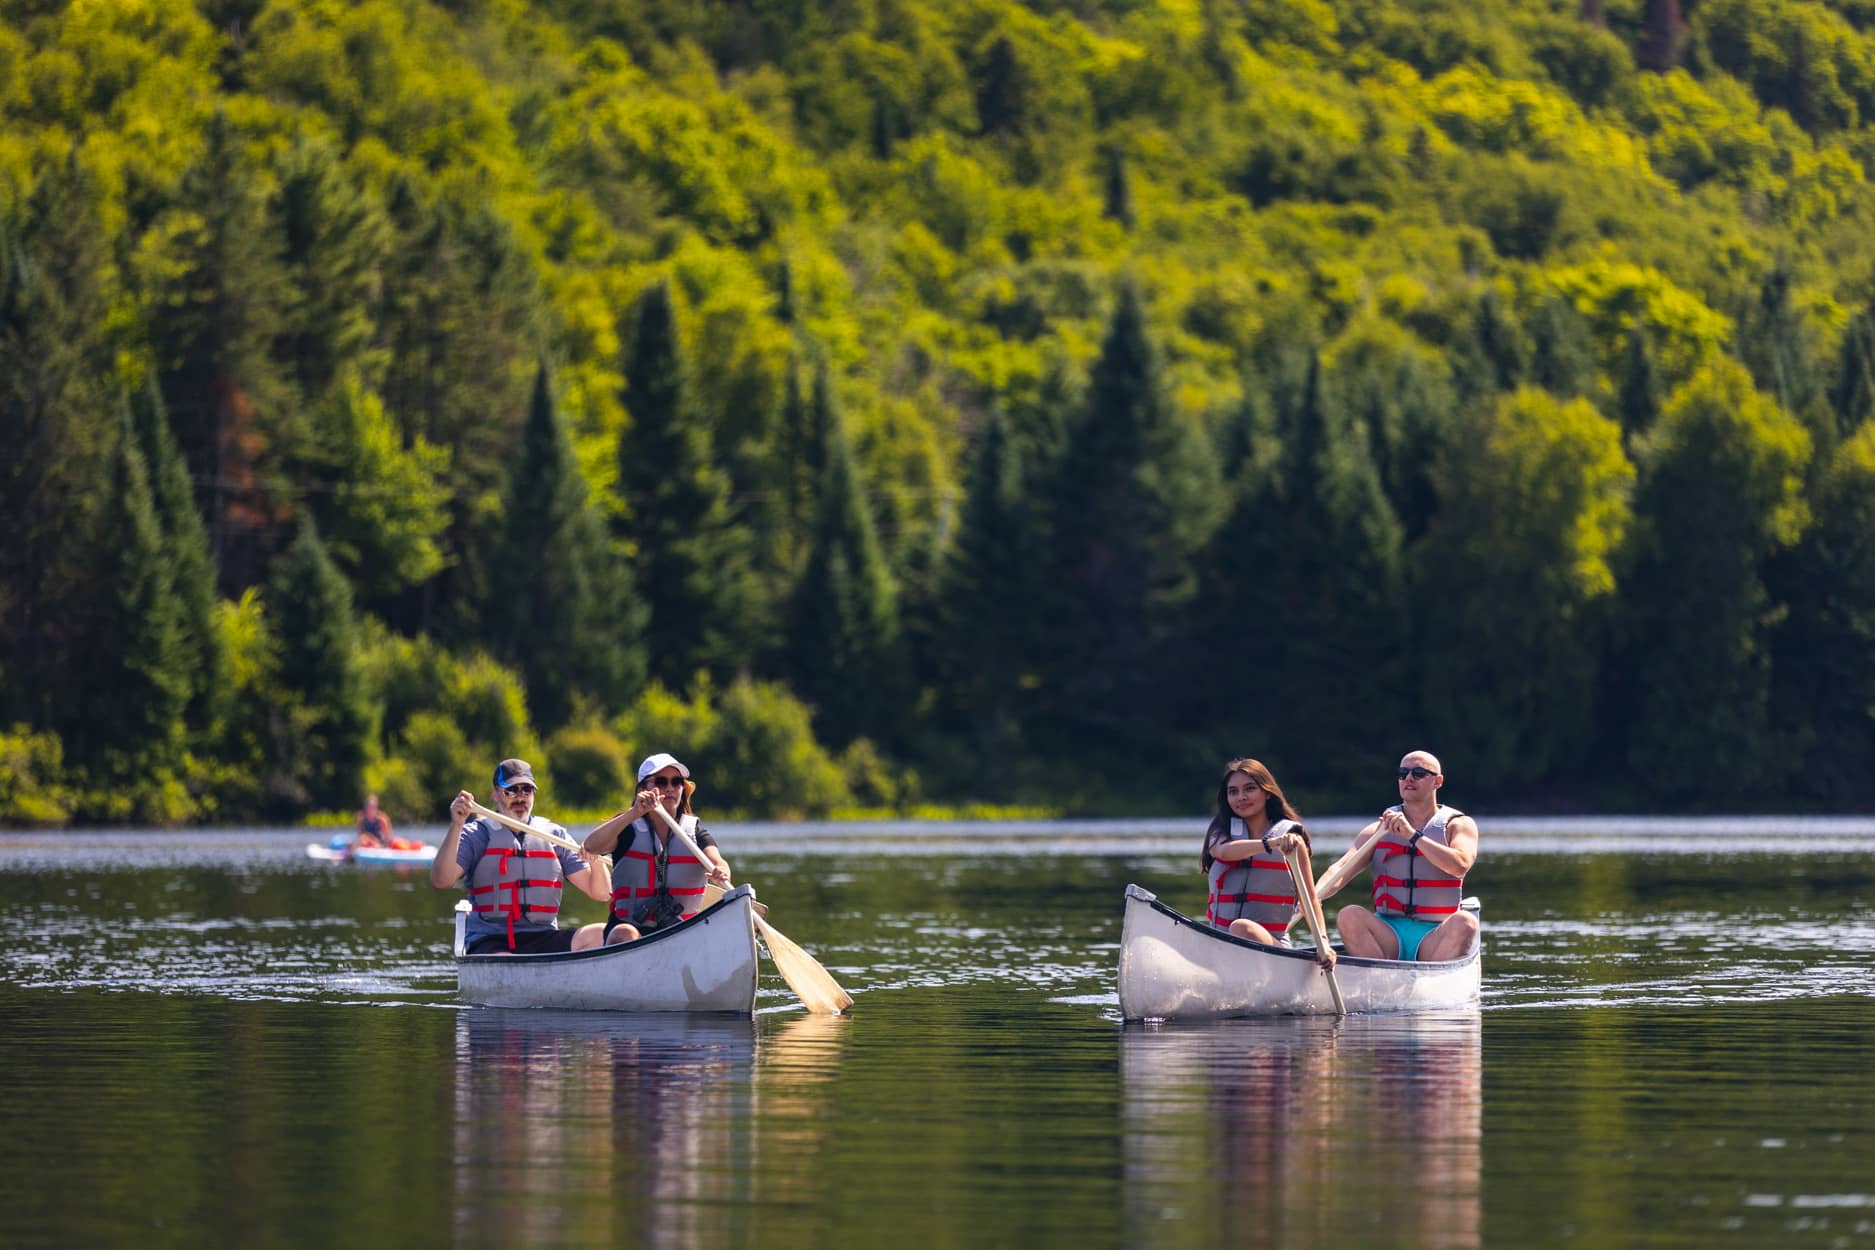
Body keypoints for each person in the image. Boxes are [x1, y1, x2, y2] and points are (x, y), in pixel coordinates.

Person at [430, 758, 612, 954]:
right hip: (492, 940)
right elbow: (441, 880)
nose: (520, 797)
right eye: (511, 790)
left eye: (526, 790)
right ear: (495, 794)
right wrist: (457, 825)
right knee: (504, 960)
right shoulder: (476, 835)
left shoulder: (554, 835)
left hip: (543, 937)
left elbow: (600, 893)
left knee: (605, 933)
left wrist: (597, 857)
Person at [1318, 750, 1480, 962]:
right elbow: (1340, 869)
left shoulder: (1458, 825)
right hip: (1388, 933)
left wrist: (1413, 836)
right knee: (1349, 915)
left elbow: (1460, 865)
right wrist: (1313, 896)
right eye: (1403, 773)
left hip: (1436, 933)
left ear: (1437, 781)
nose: (1408, 778)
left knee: (1466, 923)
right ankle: (1378, 978)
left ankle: (1428, 984)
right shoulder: (1379, 829)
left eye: (1418, 773)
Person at [582, 753, 732, 944]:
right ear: (643, 789)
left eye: (676, 782)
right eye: (661, 782)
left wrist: (722, 871)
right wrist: (633, 813)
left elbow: (717, 861)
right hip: (629, 926)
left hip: (678, 929)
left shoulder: (693, 831)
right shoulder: (627, 827)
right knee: (625, 933)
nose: (669, 788)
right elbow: (590, 846)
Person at [1202, 757, 1314, 948]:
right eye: (1233, 792)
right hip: (1220, 947)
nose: (1241, 797)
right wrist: (1271, 843)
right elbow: (1224, 852)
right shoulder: (1219, 833)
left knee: (1242, 928)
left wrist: (1324, 944)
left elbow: (1309, 900)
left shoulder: (1292, 841)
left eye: (1250, 789)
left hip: (1274, 949)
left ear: (1267, 792)